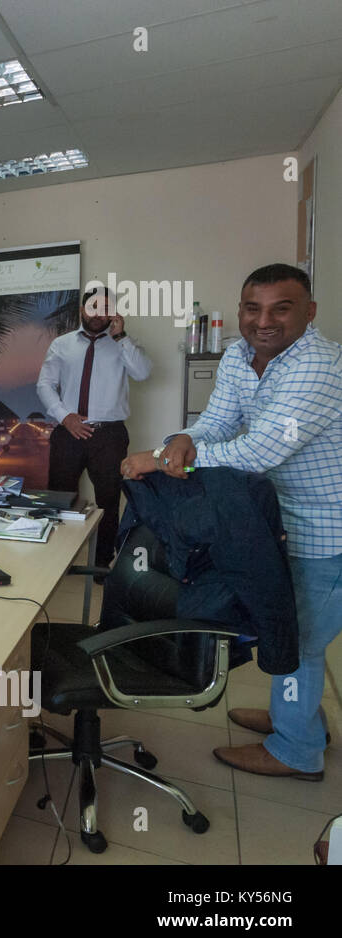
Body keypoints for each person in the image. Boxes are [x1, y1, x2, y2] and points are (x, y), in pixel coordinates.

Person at [122, 263, 342, 781]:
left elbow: (260, 449)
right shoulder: (240, 357)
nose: (263, 321)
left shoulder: (317, 365)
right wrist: (182, 438)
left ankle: (297, 749)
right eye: (252, 308)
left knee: (301, 641)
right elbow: (217, 420)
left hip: (325, 529)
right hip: (278, 520)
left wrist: (160, 457)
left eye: (280, 309)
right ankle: (294, 716)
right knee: (281, 624)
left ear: (308, 313)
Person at [37, 287, 152, 567]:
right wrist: (66, 417)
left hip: (109, 435)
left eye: (105, 309)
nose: (98, 314)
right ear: (82, 310)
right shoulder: (62, 344)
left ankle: (101, 563)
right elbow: (45, 384)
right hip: (69, 432)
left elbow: (143, 372)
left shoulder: (124, 344)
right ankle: (58, 561)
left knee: (108, 502)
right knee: (59, 499)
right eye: (93, 307)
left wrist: (121, 336)